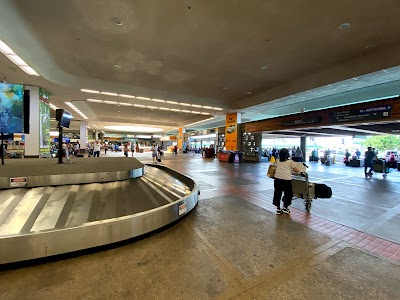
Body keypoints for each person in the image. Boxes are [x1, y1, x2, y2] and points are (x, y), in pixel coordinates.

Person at [272, 148, 300, 215]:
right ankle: (285, 207)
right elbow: (296, 170)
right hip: (286, 180)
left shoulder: (277, 160)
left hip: (277, 179)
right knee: (288, 194)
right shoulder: (290, 162)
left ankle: (278, 209)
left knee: (277, 193)